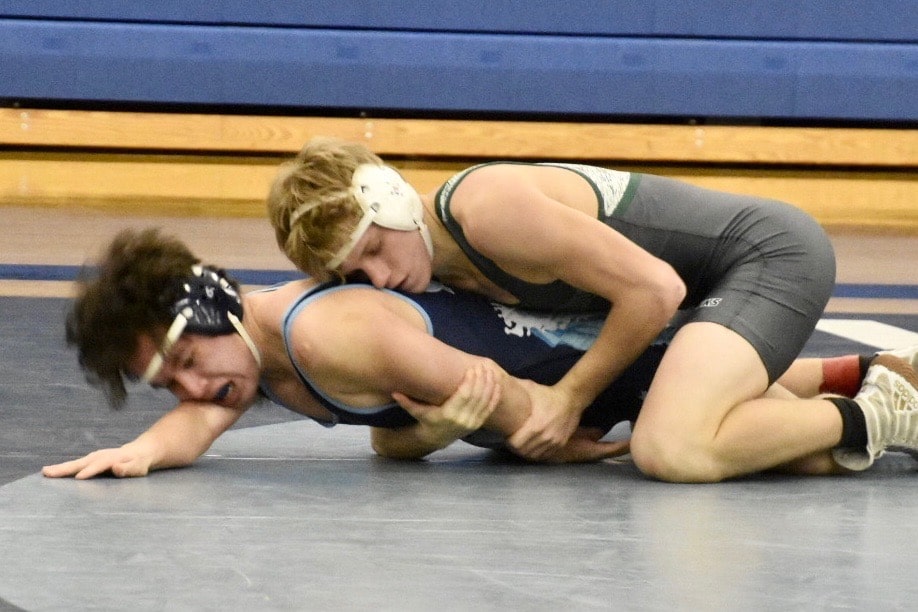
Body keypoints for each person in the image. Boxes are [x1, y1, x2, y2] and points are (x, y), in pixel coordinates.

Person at [43, 229, 918, 481]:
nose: (194, 389)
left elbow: (513, 410)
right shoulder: (251, 349)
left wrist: (566, 446)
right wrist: (141, 453)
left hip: (608, 367)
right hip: (619, 363)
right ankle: (865, 378)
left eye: (183, 360)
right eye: (167, 384)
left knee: (693, 445)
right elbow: (204, 416)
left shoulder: (329, 333)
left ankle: (880, 406)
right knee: (721, 412)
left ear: (213, 306)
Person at [266, 137, 906, 481]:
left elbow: (655, 291)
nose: (380, 279)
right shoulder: (433, 278)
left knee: (673, 448)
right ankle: (885, 378)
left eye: (375, 249)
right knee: (768, 450)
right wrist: (447, 428)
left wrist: (567, 401)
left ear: (393, 198)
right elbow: (395, 431)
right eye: (356, 275)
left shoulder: (486, 211)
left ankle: (890, 411)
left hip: (768, 257)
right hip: (703, 304)